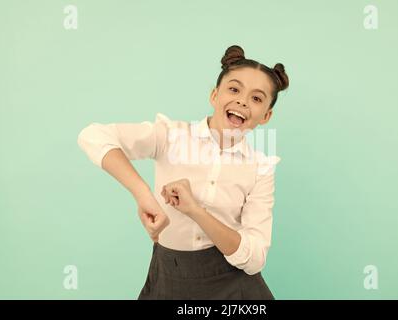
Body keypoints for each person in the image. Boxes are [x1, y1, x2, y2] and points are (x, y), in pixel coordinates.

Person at [77, 45, 289, 299]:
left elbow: (254, 258)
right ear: (214, 95)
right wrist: (143, 194)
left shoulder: (260, 168)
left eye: (256, 98)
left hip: (235, 287)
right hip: (169, 277)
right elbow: (93, 136)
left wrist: (195, 211)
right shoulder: (170, 136)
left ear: (266, 116)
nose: (242, 101)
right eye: (234, 89)